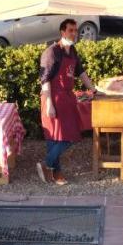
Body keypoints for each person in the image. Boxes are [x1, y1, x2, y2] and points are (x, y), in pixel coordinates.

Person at [38, 18, 96, 185]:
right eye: (70, 30)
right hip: (53, 98)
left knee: (71, 135)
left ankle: (46, 165)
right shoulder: (51, 52)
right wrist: (49, 104)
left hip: (67, 98)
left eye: (75, 30)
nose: (74, 33)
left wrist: (93, 90)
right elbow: (45, 79)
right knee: (54, 138)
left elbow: (81, 72)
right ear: (62, 32)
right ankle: (55, 172)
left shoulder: (73, 51)